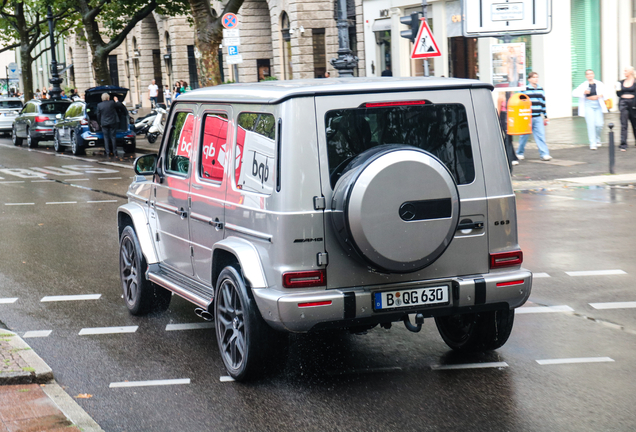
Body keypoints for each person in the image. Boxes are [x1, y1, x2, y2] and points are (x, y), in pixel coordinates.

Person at [516, 72, 552, 161]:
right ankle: (519, 153)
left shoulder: (540, 89)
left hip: (538, 116)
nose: (536, 79)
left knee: (541, 135)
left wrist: (545, 116)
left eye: (537, 77)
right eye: (534, 77)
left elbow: (543, 103)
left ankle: (544, 154)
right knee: (524, 136)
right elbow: (519, 100)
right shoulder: (524, 89)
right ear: (529, 79)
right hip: (527, 117)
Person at [572, 70, 608, 150]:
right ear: (586, 76)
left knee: (599, 124)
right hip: (588, 105)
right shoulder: (584, 85)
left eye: (591, 74)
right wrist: (583, 92)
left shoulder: (599, 84)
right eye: (588, 74)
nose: (590, 75)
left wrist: (601, 95)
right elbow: (574, 93)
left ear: (593, 74)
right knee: (591, 124)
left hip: (597, 104)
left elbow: (606, 93)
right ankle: (593, 143)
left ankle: (597, 138)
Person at [497, 92, 519, 170]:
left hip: (511, 116)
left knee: (509, 137)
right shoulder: (501, 98)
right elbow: (499, 110)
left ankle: (511, 156)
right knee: (507, 137)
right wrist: (498, 120)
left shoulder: (512, 96)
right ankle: (511, 156)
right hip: (503, 117)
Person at [616, 66, 636, 151]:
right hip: (623, 103)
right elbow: (618, 94)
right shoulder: (621, 82)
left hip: (633, 104)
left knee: (634, 124)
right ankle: (623, 144)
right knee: (624, 124)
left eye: (626, 71)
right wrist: (617, 90)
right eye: (624, 71)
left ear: (631, 72)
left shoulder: (635, 82)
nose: (624, 72)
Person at [96, 93, 122, 157]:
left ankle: (107, 151)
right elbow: (120, 105)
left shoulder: (99, 105)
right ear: (108, 98)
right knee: (113, 137)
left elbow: (98, 115)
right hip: (113, 122)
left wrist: (100, 123)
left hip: (104, 123)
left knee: (106, 137)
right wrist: (116, 100)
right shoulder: (112, 103)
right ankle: (114, 151)